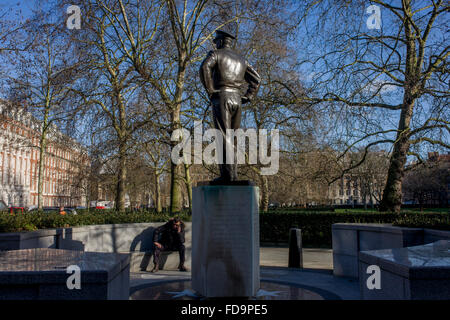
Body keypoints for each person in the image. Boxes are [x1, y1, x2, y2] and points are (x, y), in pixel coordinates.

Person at [199, 29, 261, 182]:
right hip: (237, 99)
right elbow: (257, 79)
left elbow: (204, 67)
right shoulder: (242, 60)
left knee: (223, 136)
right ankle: (232, 175)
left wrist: (210, 90)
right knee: (232, 138)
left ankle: (227, 176)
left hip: (222, 97)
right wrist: (248, 96)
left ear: (220, 42)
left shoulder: (216, 54)